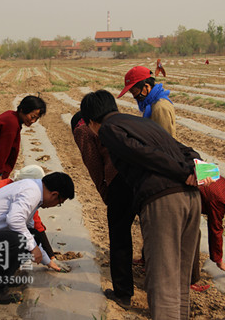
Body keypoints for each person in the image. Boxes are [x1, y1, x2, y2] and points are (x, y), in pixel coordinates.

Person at [80, 89, 209, 320]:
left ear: (91, 121)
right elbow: (187, 150)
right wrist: (197, 169)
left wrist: (183, 172)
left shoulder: (108, 130)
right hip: (191, 199)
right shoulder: (142, 123)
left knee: (163, 278)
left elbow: (142, 154)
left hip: (164, 201)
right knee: (179, 277)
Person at [0, 172, 74, 304]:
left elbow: (30, 232)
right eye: (59, 203)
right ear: (54, 195)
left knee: (32, 235)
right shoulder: (32, 192)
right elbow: (14, 220)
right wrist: (33, 247)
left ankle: (2, 278)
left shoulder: (34, 192)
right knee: (20, 242)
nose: (55, 206)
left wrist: (48, 261)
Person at [71, 111, 135, 309]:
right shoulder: (122, 121)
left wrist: (106, 193)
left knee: (120, 238)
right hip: (143, 176)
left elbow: (94, 165)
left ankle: (123, 294)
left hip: (120, 181)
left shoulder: (82, 130)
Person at [0, 164, 61, 272]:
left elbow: (36, 227)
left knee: (27, 236)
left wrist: (50, 258)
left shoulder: (23, 195)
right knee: (18, 241)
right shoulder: (13, 191)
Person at [117, 66, 176, 138]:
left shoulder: (159, 107)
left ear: (147, 86)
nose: (134, 96)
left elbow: (165, 141)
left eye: (135, 92)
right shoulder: (150, 104)